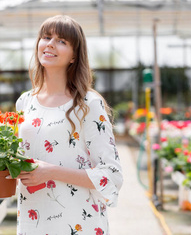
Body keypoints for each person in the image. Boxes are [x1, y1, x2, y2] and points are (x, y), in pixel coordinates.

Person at [12, 15, 123, 235]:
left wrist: (51, 172)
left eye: (62, 41)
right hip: (33, 219)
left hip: (79, 222)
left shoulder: (87, 104)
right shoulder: (25, 102)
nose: (50, 43)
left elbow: (111, 174)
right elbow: (22, 160)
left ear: (74, 56)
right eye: (46, 37)